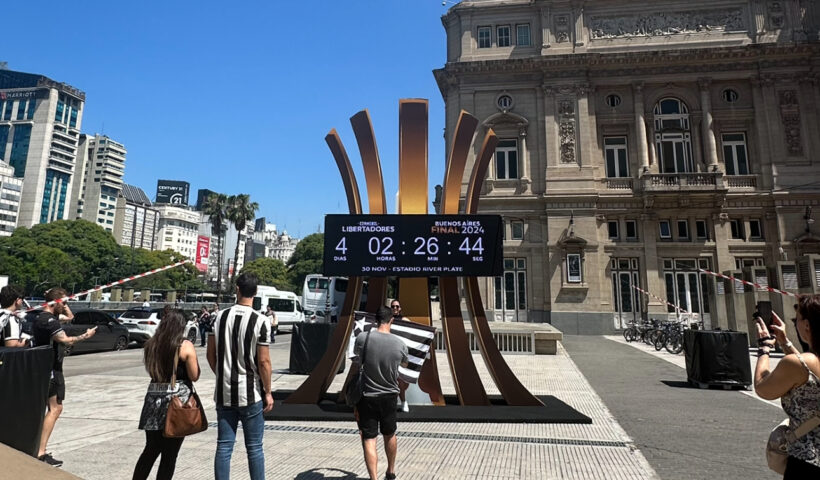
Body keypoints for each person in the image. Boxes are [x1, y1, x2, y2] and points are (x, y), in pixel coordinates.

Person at [207, 273, 273, 480]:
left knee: (224, 446)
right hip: (250, 393)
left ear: (237, 289)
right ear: (256, 292)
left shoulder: (219, 317)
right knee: (254, 448)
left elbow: (210, 355)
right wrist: (268, 391)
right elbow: (264, 362)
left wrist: (222, 374)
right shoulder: (261, 321)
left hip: (224, 393)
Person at [754, 294, 820, 478]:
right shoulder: (806, 363)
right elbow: (807, 371)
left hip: (809, 460)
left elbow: (763, 388)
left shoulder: (801, 363)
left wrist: (764, 347)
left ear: (807, 325)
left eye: (796, 319)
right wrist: (784, 342)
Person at [133, 309, 201, 480]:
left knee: (151, 449)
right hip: (176, 403)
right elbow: (194, 375)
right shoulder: (184, 346)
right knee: (170, 454)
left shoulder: (151, 344)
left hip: (153, 401)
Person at [34, 288, 97, 467]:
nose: (66, 306)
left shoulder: (42, 317)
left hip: (46, 368)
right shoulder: (50, 322)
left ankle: (38, 448)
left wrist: (61, 301)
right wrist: (86, 336)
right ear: (55, 303)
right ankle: (40, 451)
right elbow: (65, 340)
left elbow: (70, 317)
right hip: (51, 370)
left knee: (51, 408)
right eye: (64, 302)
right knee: (55, 408)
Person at [353, 306, 409, 480]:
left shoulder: (363, 338)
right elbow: (405, 364)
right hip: (390, 395)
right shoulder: (399, 344)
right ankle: (391, 471)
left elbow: (356, 355)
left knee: (369, 439)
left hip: (367, 395)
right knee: (390, 434)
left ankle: (374, 478)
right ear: (391, 320)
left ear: (375, 320)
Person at [389, 300, 411, 413]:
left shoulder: (404, 320)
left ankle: (403, 402)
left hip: (400, 353)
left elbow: (417, 329)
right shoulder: (387, 320)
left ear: (400, 308)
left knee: (400, 379)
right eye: (393, 306)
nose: (395, 308)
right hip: (388, 353)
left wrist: (431, 331)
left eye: (397, 306)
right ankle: (390, 403)